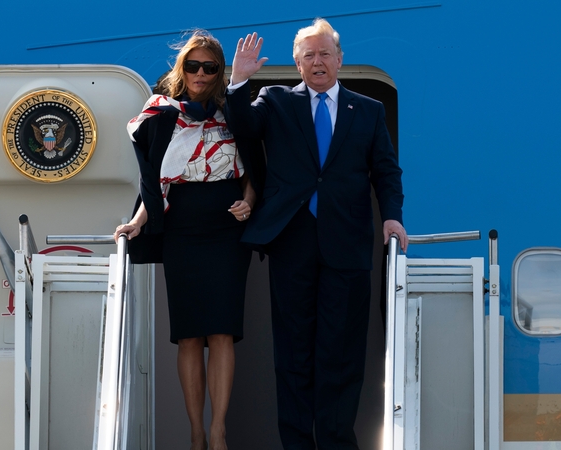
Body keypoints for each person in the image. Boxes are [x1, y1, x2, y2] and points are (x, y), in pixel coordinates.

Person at [224, 19, 409, 449]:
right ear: (297, 63)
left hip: (346, 246)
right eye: (309, 55)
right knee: (293, 356)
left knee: (341, 356)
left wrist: (392, 216)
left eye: (325, 53)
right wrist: (237, 82)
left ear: (340, 60)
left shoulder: (367, 110)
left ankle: (337, 442)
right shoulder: (274, 100)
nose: (318, 61)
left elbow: (386, 170)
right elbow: (243, 127)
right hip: (292, 242)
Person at [114, 30, 262, 450]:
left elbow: (255, 166)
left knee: (221, 332)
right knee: (190, 335)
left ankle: (218, 431)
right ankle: (195, 432)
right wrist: (139, 221)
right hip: (181, 230)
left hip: (227, 230)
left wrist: (249, 202)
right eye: (192, 65)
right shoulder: (160, 113)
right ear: (182, 68)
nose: (200, 73)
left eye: (209, 67)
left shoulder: (235, 110)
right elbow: (153, 180)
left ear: (219, 72)